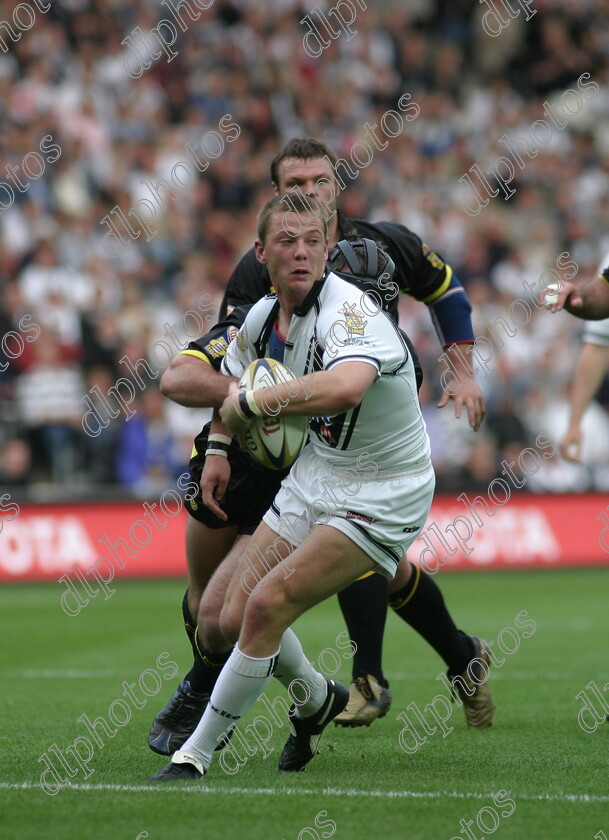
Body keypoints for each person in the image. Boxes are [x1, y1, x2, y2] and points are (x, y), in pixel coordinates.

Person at [151, 137, 492, 748]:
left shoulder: (384, 243)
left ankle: (367, 677)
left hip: (364, 426)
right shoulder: (262, 267)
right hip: (287, 434)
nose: (308, 193)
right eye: (295, 184)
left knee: (351, 550)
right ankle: (438, 661)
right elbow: (239, 356)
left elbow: (447, 292)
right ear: (276, 196)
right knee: (227, 603)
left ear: (337, 186)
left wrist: (461, 369)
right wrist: (230, 431)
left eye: (318, 181)